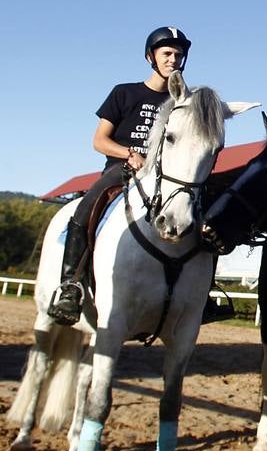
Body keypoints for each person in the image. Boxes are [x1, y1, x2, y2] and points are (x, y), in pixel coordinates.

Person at [47, 27, 231, 326]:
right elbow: (99, 140)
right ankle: (71, 285)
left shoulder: (187, 101)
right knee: (84, 208)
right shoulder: (125, 93)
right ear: (151, 57)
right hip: (122, 171)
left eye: (178, 55)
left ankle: (204, 295)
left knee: (209, 218)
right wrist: (129, 154)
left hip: (169, 178)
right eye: (167, 54)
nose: (174, 59)